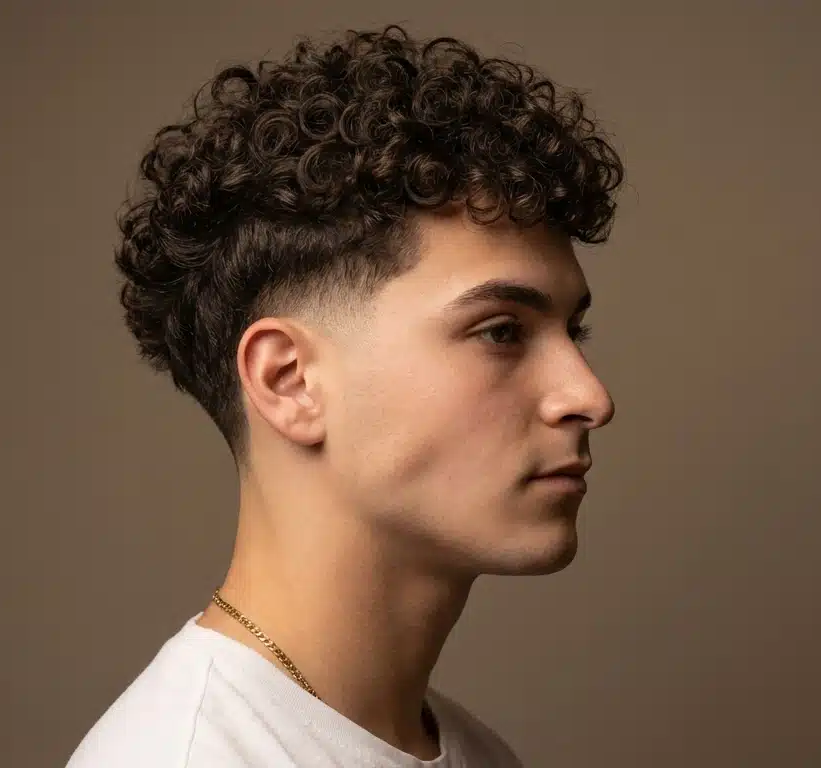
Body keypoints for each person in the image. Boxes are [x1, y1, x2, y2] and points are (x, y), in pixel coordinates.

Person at [66, 23, 623, 767]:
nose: (588, 396)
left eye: (573, 331)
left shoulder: (476, 751)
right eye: (501, 332)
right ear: (289, 381)